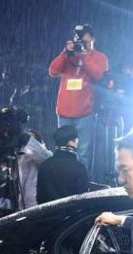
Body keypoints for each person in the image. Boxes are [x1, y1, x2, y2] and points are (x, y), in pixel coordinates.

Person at [48, 24, 108, 173]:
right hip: (64, 111)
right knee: (62, 150)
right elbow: (52, 71)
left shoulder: (100, 57)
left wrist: (84, 56)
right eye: (79, 40)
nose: (82, 44)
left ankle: (81, 182)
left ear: (93, 39)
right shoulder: (69, 56)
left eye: (85, 41)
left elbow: (99, 75)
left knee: (83, 152)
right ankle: (62, 179)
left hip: (85, 112)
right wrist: (64, 53)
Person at [36, 125, 89, 204]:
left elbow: (39, 197)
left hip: (48, 211)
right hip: (72, 211)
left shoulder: (44, 165)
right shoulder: (79, 168)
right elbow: (82, 199)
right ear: (72, 141)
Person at [17, 128, 52, 210]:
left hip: (35, 200)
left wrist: (30, 144)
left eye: (31, 139)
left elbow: (47, 158)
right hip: (20, 201)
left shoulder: (44, 154)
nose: (27, 142)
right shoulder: (19, 156)